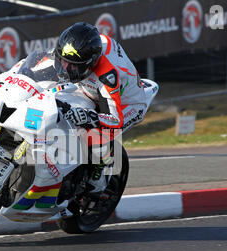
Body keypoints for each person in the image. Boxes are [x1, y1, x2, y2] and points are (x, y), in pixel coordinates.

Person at [54, 22, 154, 192]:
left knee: (96, 132)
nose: (65, 68)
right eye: (63, 61)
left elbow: (115, 119)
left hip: (127, 104)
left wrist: (90, 117)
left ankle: (100, 175)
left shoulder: (107, 75)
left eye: (72, 66)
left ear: (90, 63)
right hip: (92, 92)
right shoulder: (77, 48)